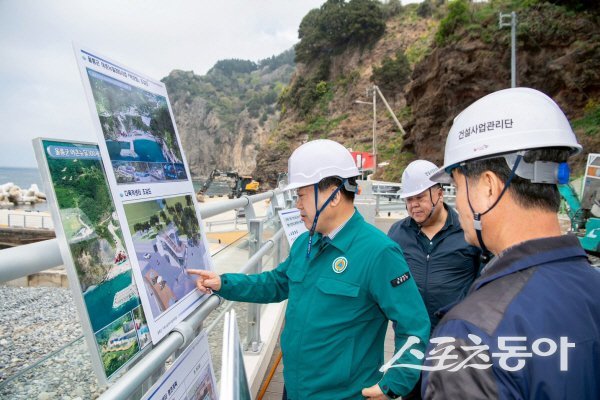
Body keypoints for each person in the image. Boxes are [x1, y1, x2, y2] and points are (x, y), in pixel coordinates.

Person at [190, 139, 430, 400]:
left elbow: (414, 325)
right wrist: (223, 283)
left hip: (343, 395)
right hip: (294, 388)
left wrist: (393, 384)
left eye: (302, 195)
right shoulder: (307, 242)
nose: (297, 205)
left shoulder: (379, 252)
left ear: (334, 196)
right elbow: (276, 283)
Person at [420, 87, 600, 399]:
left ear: (488, 187)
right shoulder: (590, 288)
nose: (458, 204)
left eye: (457, 187)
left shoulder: (470, 336)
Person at [387, 160, 481, 400]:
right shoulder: (397, 233)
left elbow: (486, 284)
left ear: (439, 193)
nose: (413, 205)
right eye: (409, 199)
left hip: (455, 344)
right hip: (411, 344)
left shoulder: (467, 231)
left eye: (419, 197)